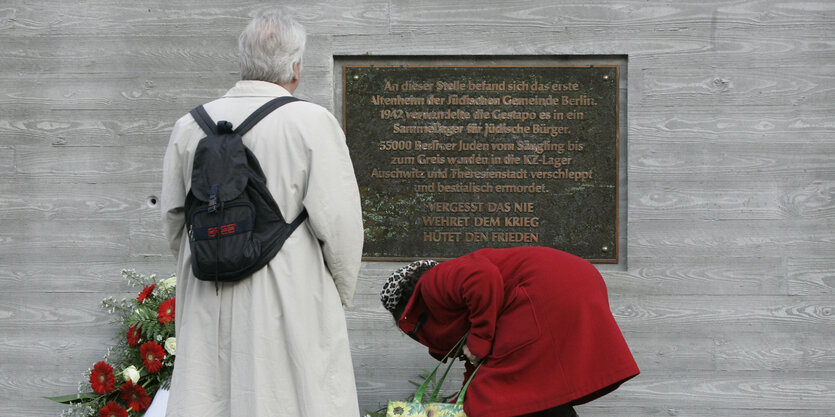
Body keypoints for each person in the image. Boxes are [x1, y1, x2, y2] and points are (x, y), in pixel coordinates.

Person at [161, 10, 363, 417]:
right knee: (289, 395)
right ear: (295, 66)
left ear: (242, 62)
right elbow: (339, 224)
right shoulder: (311, 122)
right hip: (289, 289)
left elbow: (173, 218)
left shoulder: (189, 125)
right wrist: (339, 290)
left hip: (208, 288)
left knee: (209, 394)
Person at [380, 246, 640, 417]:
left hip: (544, 291)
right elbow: (481, 364)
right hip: (570, 282)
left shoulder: (433, 283)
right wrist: (461, 401)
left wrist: (480, 340)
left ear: (407, 310)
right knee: (533, 392)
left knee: (497, 399)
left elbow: (481, 276)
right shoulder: (460, 303)